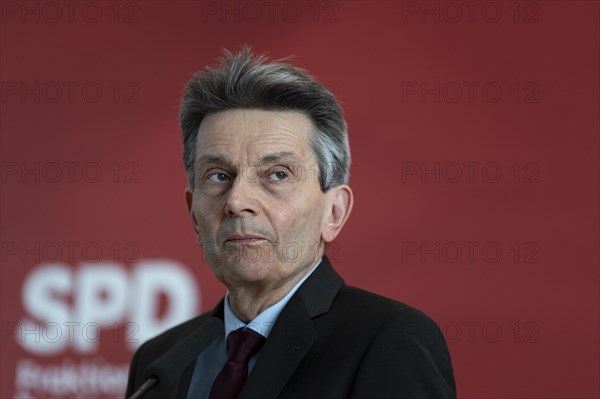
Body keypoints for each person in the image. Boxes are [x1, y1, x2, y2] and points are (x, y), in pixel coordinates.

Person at [125, 47, 456, 399]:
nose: (237, 202)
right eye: (219, 175)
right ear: (193, 212)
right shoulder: (158, 361)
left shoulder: (390, 341)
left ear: (334, 212)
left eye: (277, 174)